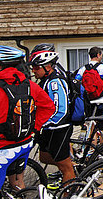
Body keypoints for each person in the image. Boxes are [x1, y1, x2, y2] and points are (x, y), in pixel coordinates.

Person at [0, 46, 55, 199]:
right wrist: (34, 128)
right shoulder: (29, 85)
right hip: (23, 145)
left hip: (2, 149)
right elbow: (48, 106)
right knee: (17, 181)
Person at [29, 46, 76, 184]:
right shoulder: (46, 80)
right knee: (44, 157)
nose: (33, 70)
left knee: (65, 167)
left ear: (48, 67)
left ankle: (71, 198)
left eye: (36, 67)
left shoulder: (55, 81)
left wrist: (41, 125)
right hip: (49, 128)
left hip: (58, 129)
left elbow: (60, 111)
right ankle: (72, 166)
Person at [75, 46, 103, 111]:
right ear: (98, 55)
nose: (101, 57)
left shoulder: (83, 69)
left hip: (88, 101)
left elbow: (75, 82)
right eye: (101, 55)